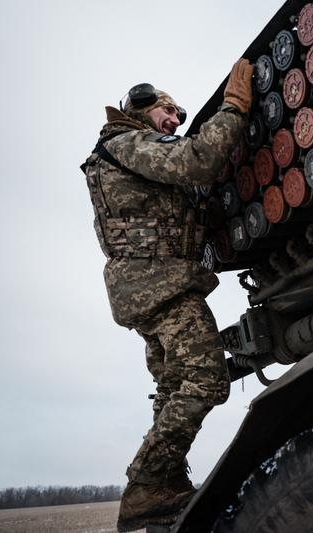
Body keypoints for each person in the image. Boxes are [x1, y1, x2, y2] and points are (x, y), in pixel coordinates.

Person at [81, 58, 254, 532]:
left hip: (145, 289)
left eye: (180, 116)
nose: (177, 121)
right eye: (170, 111)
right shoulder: (128, 141)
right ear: (140, 108)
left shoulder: (120, 152)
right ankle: (145, 485)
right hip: (163, 286)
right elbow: (196, 160)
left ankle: (166, 486)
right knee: (206, 379)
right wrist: (235, 108)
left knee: (175, 384)